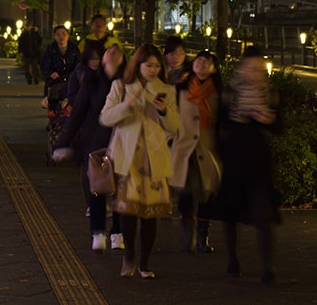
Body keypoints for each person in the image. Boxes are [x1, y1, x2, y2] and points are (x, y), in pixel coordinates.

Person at [100, 43, 179, 279]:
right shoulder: (121, 87)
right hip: (128, 156)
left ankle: (145, 262)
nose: (153, 70)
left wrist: (165, 111)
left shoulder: (166, 90)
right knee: (129, 211)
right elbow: (105, 117)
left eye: (157, 66)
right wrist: (128, 105)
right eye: (148, 65)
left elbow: (175, 127)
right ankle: (129, 257)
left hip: (154, 157)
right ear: (138, 65)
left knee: (151, 212)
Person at [53, 43, 127, 252]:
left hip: (122, 142)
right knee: (98, 189)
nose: (111, 56)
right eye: (108, 53)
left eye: (116, 53)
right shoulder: (92, 82)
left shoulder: (128, 84)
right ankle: (98, 232)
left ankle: (117, 233)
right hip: (96, 143)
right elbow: (77, 115)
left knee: (121, 189)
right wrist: (62, 143)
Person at [216, 45, 279, 285]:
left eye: (259, 68)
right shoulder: (229, 92)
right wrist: (222, 152)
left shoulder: (269, 92)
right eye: (251, 68)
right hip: (233, 161)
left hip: (258, 162)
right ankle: (232, 260)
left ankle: (267, 267)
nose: (255, 72)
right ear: (241, 69)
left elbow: (279, 125)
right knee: (231, 213)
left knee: (264, 214)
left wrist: (268, 120)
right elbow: (218, 125)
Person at [170, 49, 221, 253]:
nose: (202, 63)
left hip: (207, 150)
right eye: (199, 60)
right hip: (185, 149)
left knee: (206, 194)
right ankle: (188, 236)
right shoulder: (180, 90)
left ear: (214, 68)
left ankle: (202, 238)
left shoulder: (217, 93)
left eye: (207, 61)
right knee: (186, 193)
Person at [40, 25, 78, 112]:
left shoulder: (74, 49)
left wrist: (72, 75)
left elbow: (78, 65)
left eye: (64, 34)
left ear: (68, 35)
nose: (61, 37)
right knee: (53, 102)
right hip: (54, 81)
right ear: (54, 36)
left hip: (70, 81)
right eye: (58, 34)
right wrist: (50, 73)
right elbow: (44, 65)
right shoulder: (50, 49)